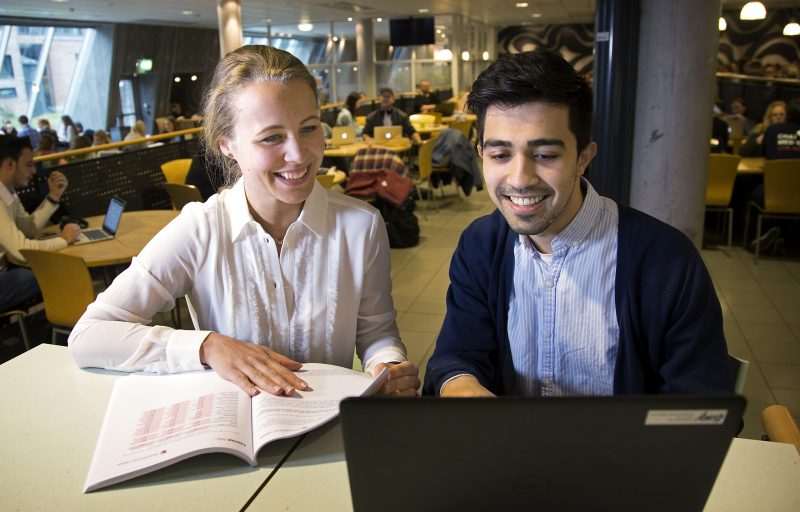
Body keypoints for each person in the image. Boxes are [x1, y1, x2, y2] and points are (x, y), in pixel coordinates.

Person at [69, 45, 420, 398]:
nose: (298, 155)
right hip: (238, 436)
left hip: (328, 430)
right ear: (228, 145)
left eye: (309, 128)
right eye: (272, 137)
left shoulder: (362, 225)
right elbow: (89, 336)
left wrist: (387, 366)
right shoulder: (201, 229)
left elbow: (377, 334)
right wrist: (207, 347)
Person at [423, 49, 732, 397]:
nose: (520, 178)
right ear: (481, 154)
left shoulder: (667, 261)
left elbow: (700, 404)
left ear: (583, 157)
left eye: (545, 155)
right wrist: (463, 387)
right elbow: (457, 354)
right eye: (500, 155)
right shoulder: (480, 244)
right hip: (506, 449)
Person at [0, 135, 80, 310]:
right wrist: (64, 240)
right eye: (29, 164)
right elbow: (22, 250)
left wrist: (53, 197)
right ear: (10, 164)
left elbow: (28, 228)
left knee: (46, 271)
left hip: (6, 268)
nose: (34, 171)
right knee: (42, 275)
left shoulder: (8, 193)